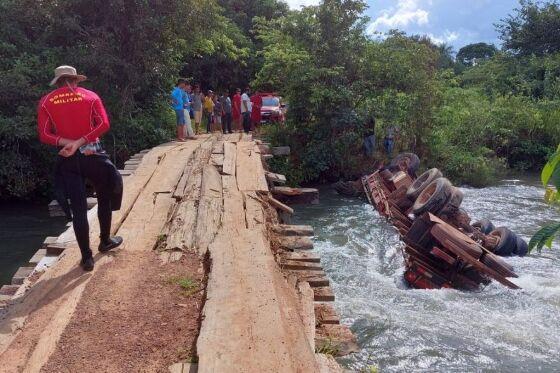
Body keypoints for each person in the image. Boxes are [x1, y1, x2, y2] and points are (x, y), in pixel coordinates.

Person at [37, 65, 123, 271]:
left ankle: (86, 258)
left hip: (68, 159)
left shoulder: (47, 102)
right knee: (103, 197)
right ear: (75, 80)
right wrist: (81, 141)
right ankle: (105, 241)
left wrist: (68, 142)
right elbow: (103, 124)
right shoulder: (91, 96)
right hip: (93, 156)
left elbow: (44, 135)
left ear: (57, 81)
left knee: (78, 209)